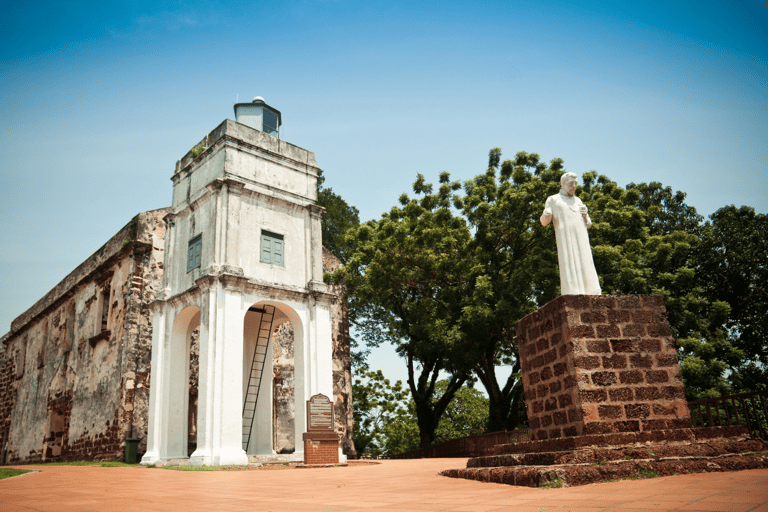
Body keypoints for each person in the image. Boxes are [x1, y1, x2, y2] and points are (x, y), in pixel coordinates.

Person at [541, 172, 602, 295]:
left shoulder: (578, 201)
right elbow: (544, 222)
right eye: (570, 184)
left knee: (586, 261)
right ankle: (573, 292)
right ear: (563, 184)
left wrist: (585, 215)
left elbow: (589, 224)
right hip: (566, 238)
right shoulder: (553, 199)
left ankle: (592, 290)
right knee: (569, 263)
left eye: (575, 184)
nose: (573, 186)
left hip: (581, 238)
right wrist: (546, 214)